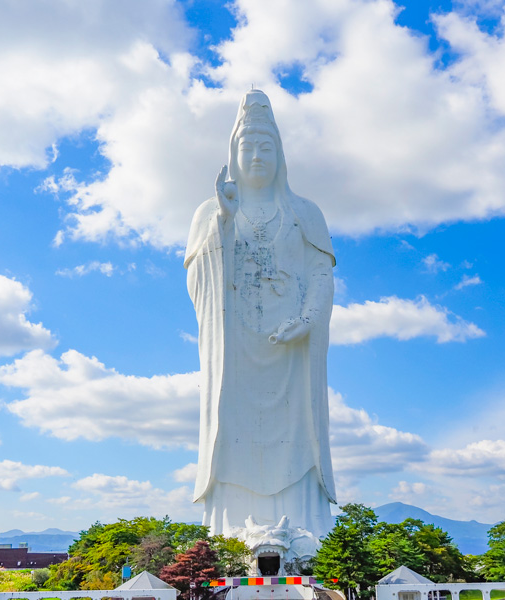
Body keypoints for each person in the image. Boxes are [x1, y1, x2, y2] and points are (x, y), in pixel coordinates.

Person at [184, 89, 337, 539]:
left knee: (298, 431)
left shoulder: (304, 213)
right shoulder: (210, 213)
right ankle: (231, 534)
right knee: (232, 433)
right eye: (247, 148)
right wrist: (224, 224)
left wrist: (307, 320)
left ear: (280, 154)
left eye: (266, 147)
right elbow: (198, 281)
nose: (256, 157)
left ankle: (308, 536)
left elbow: (321, 274)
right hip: (235, 354)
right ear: (233, 153)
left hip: (292, 352)